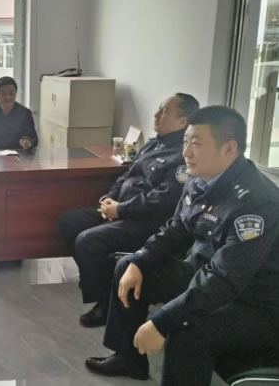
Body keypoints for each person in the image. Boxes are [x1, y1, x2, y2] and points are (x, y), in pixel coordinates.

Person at [85, 106, 279, 386]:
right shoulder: (199, 178)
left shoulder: (256, 202)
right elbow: (176, 229)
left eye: (196, 144)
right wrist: (140, 258)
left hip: (252, 302)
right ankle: (128, 358)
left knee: (187, 328)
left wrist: (162, 321)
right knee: (128, 266)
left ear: (229, 148)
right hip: (202, 274)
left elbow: (225, 279)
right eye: (185, 141)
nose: (186, 152)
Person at [57, 93, 199, 327]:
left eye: (165, 111)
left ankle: (106, 304)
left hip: (146, 222)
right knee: (69, 221)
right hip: (121, 210)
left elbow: (163, 200)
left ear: (182, 121)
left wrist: (120, 210)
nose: (156, 114)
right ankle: (98, 280)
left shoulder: (182, 156)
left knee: (87, 241)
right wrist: (109, 198)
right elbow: (128, 174)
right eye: (159, 108)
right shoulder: (153, 143)